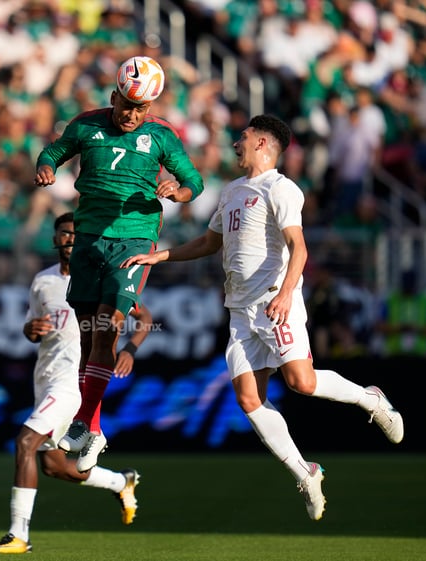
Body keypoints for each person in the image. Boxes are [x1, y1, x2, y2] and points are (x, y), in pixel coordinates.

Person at [121, 114, 403, 521]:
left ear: (263, 144)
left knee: (301, 382)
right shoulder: (232, 191)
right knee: (249, 398)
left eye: (244, 136)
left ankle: (370, 398)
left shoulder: (281, 188)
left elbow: (299, 248)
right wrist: (160, 255)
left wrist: (287, 294)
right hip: (240, 311)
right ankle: (304, 472)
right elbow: (208, 243)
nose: (237, 142)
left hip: (274, 301)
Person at [34, 56, 204, 472]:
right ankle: (91, 426)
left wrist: (177, 193)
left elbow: (193, 182)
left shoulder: (161, 137)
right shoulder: (86, 125)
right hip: (89, 239)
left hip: (134, 238)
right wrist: (46, 166)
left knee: (110, 323)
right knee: (93, 334)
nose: (132, 114)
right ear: (114, 96)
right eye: (126, 104)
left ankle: (81, 420)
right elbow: (53, 151)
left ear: (150, 108)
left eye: (140, 108)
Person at [0, 212, 151, 554]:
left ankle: (19, 536)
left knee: (25, 443)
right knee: (54, 465)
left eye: (77, 234)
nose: (71, 239)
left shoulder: (103, 279)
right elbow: (33, 326)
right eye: (64, 234)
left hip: (72, 383)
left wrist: (130, 349)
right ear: (55, 240)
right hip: (44, 379)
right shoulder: (43, 281)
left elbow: (144, 317)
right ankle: (122, 482)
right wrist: (29, 331)